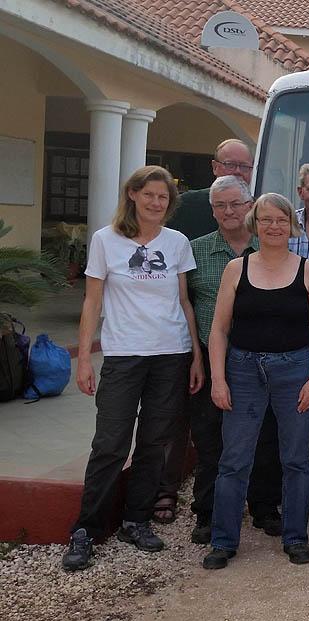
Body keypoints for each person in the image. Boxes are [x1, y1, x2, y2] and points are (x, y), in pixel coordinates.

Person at [62, 165, 203, 571]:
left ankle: (135, 520)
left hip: (170, 354)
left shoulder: (177, 242)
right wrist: (86, 358)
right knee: (110, 443)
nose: (156, 202)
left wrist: (194, 354)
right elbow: (92, 302)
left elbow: (183, 301)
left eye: (163, 197)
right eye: (149, 195)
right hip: (123, 355)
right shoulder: (106, 240)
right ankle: (86, 529)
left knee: (154, 442)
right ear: (133, 196)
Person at [202, 193, 309, 569]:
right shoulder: (236, 270)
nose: (274, 227)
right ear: (254, 224)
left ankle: (295, 538)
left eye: (281, 220)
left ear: (291, 224)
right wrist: (218, 379)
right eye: (266, 220)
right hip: (242, 371)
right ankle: (223, 541)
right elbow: (218, 330)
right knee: (234, 459)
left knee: (295, 459)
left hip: (295, 370)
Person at [184, 175, 287, 544]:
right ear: (212, 210)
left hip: (260, 359)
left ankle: (263, 507)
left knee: (265, 435)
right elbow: (186, 309)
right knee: (211, 438)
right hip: (211, 360)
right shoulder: (194, 252)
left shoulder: (271, 247)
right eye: (220, 205)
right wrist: (197, 359)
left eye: (236, 204)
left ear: (250, 207)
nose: (229, 211)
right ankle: (208, 513)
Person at [168, 139, 254, 239]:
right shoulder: (185, 205)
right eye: (230, 165)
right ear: (215, 167)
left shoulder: (261, 210)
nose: (238, 171)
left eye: (244, 166)